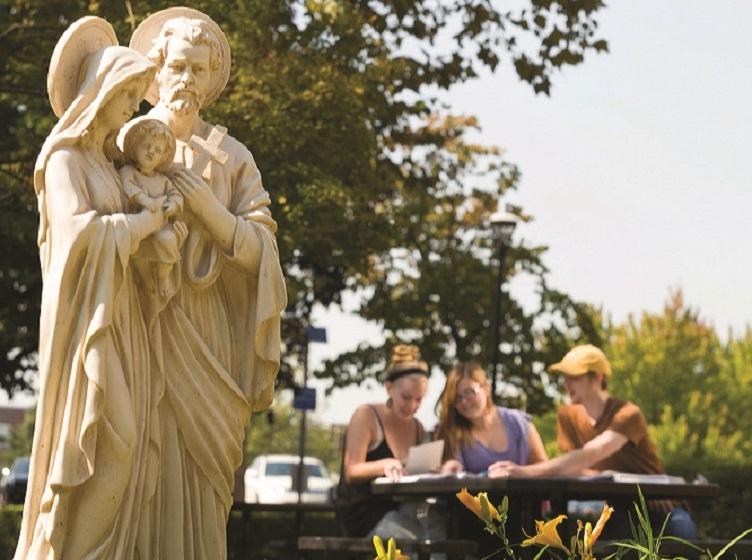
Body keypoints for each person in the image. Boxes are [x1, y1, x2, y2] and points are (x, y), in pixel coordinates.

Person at [129, 9, 287, 558]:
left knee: (204, 479)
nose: (187, 82)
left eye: (199, 70)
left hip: (208, 334)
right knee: (138, 462)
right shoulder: (121, 145)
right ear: (156, 69)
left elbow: (265, 252)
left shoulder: (232, 156)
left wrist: (210, 213)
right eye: (178, 67)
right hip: (143, 327)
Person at [15, 17, 167, 559]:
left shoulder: (108, 163)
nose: (133, 106)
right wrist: (143, 226)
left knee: (122, 446)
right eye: (126, 94)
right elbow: (78, 233)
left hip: (117, 312)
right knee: (110, 439)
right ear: (98, 92)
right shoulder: (63, 159)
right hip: (85, 316)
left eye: (135, 96)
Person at [489, 344, 697, 539]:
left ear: (597, 377)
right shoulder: (568, 416)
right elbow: (572, 466)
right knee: (596, 543)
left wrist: (524, 472)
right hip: (617, 508)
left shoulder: (627, 414)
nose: (566, 383)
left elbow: (592, 453)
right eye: (565, 377)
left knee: (683, 537)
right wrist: (598, 474)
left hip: (661, 506)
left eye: (574, 377)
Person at [336, 344, 440, 540]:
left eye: (419, 399)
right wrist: (384, 464)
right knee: (416, 540)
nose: (413, 406)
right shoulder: (366, 415)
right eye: (407, 398)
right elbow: (351, 471)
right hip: (363, 513)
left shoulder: (418, 427)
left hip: (400, 507)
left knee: (437, 529)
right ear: (389, 388)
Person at [435, 362, 547, 475]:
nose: (464, 402)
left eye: (469, 392)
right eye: (457, 398)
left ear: (486, 388)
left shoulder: (518, 423)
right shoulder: (452, 431)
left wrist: (518, 472)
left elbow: (544, 468)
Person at [119, 117, 184, 298]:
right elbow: (129, 187)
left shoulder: (163, 181)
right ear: (135, 146)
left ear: (163, 157)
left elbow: (176, 195)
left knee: (168, 240)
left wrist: (173, 205)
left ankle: (163, 277)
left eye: (157, 150)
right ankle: (145, 278)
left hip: (160, 228)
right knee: (139, 255)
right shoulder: (128, 172)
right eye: (146, 145)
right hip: (137, 226)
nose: (150, 152)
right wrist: (147, 201)